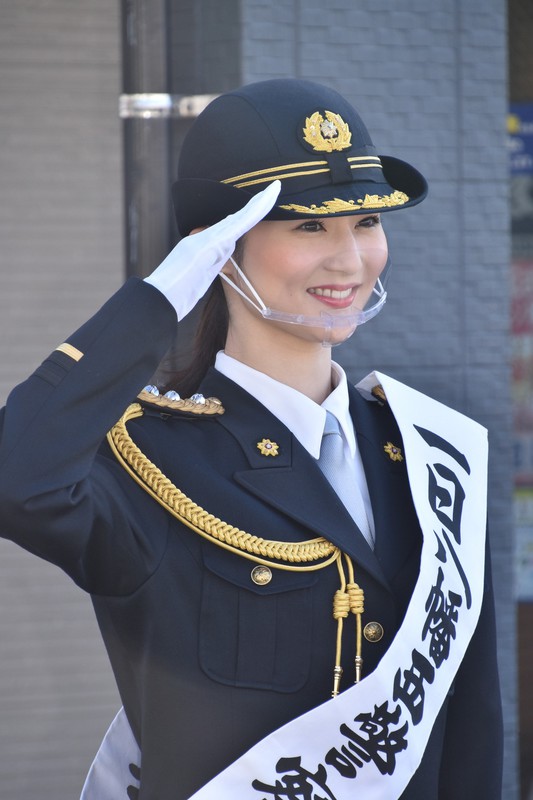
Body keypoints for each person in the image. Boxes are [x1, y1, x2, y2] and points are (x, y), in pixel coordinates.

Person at [0, 79, 502, 799]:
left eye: (365, 223)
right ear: (220, 246)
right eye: (308, 227)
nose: (349, 261)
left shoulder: (430, 454)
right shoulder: (147, 459)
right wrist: (157, 298)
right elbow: (18, 479)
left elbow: (469, 723)